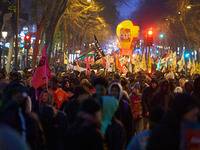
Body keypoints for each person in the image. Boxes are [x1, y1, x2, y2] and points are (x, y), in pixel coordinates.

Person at [0, 83, 46, 150]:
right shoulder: (5, 118)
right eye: (14, 94)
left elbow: (39, 143)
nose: (17, 98)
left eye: (20, 94)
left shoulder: (31, 119)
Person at [108, 82, 133, 147]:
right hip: (109, 136)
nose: (114, 93)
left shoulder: (125, 105)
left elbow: (129, 124)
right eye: (112, 91)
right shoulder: (106, 103)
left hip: (121, 135)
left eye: (116, 91)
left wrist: (129, 138)